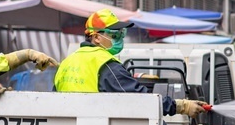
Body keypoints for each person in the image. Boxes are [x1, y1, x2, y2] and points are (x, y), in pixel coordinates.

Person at [54, 9, 207, 119]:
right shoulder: (107, 64)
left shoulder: (66, 63)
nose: (119, 39)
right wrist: (181, 106)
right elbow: (141, 100)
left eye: (122, 34)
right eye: (115, 34)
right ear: (96, 37)